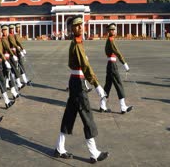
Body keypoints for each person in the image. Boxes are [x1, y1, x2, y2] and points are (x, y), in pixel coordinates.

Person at [54, 16, 109, 163]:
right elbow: (85, 66)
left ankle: (60, 148)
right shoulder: (77, 44)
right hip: (78, 82)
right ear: (72, 29)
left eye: (81, 25)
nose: (80, 27)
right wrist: (96, 84)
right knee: (86, 115)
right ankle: (94, 153)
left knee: (70, 114)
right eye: (76, 26)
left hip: (76, 81)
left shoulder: (77, 43)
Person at [102, 23, 133, 114]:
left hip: (110, 64)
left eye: (114, 29)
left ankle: (102, 105)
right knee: (118, 84)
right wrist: (124, 63)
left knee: (107, 86)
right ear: (108, 31)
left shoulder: (109, 40)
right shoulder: (111, 40)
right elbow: (118, 53)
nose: (113, 31)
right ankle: (123, 107)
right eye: (111, 30)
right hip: (112, 65)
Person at [0, 24, 15, 108]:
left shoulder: (1, 40)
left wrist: (12, 55)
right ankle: (7, 101)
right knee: (1, 81)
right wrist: (5, 61)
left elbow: (6, 48)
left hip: (0, 61)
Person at [1, 25, 21, 99]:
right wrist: (13, 55)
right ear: (2, 31)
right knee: (5, 76)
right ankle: (13, 92)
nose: (5, 31)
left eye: (6, 30)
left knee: (5, 75)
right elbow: (7, 48)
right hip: (4, 59)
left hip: (8, 57)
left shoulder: (8, 37)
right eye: (4, 30)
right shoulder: (2, 39)